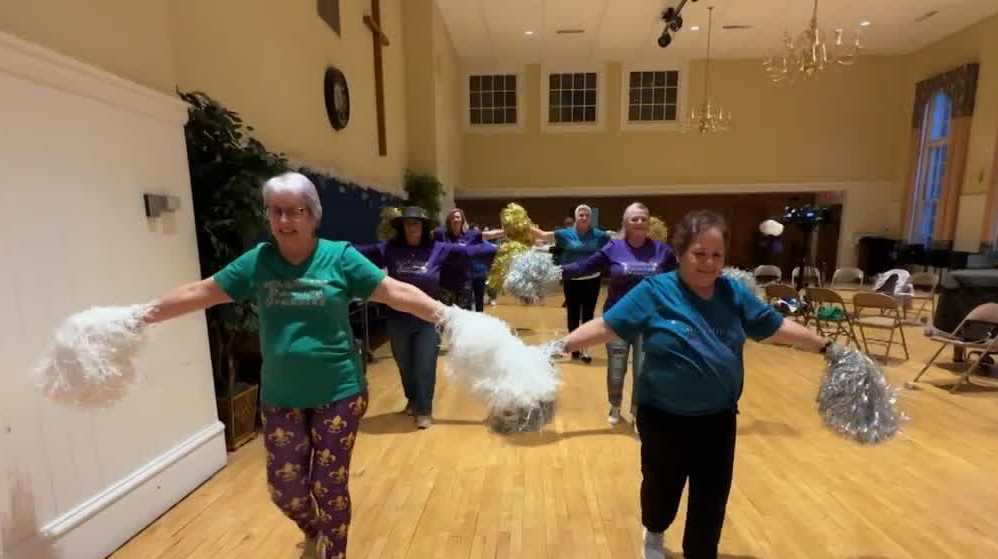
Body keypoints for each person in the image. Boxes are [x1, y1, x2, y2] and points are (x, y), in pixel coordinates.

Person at [142, 172, 447, 559]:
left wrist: (447, 316)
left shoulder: (338, 257)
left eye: (294, 211)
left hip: (338, 392)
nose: (284, 221)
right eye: (275, 212)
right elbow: (202, 291)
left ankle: (333, 552)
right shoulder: (259, 262)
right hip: (281, 395)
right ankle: (313, 529)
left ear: (313, 214)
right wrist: (139, 316)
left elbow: (395, 292)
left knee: (328, 486)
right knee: (285, 489)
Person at [559, 210, 831, 559]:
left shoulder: (733, 292)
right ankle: (654, 531)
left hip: (718, 417)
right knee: (662, 490)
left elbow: (772, 325)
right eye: (699, 254)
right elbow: (607, 325)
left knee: (711, 498)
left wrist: (825, 345)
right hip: (663, 416)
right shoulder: (656, 290)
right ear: (681, 253)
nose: (708, 263)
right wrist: (559, 345)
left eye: (717, 255)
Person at [358, 206, 491, 429]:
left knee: (425, 365)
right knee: (404, 364)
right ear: (402, 227)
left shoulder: (437, 248)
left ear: (424, 228)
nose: (412, 228)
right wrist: (329, 248)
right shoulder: (390, 248)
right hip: (397, 318)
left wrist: (497, 247)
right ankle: (412, 399)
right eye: (408, 224)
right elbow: (360, 251)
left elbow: (469, 252)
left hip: (429, 318)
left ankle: (424, 409)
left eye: (417, 224)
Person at [561, 203, 677, 425]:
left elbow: (679, 277)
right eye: (634, 219)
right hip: (617, 318)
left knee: (643, 369)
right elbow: (586, 266)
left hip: (650, 320)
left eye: (644, 218)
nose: (640, 222)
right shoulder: (613, 247)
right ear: (625, 222)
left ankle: (636, 412)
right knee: (616, 368)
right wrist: (557, 270)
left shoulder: (663, 251)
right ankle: (615, 406)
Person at [533, 204, 612, 362]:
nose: (583, 218)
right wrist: (522, 225)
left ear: (590, 218)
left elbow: (618, 239)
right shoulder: (564, 234)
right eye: (581, 215)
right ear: (576, 217)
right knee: (573, 314)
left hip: (592, 279)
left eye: (586, 215)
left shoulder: (599, 235)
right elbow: (542, 234)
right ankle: (574, 347)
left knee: (588, 315)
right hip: (571, 280)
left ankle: (585, 350)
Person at [432, 208, 501, 311]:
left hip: (464, 284)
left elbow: (490, 235)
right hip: (444, 284)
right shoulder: (441, 234)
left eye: (458, 217)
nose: (455, 219)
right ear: (449, 220)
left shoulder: (471, 235)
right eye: (453, 217)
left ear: (462, 220)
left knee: (464, 315)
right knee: (444, 315)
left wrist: (510, 230)